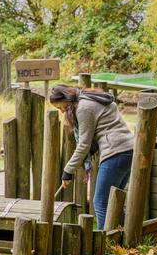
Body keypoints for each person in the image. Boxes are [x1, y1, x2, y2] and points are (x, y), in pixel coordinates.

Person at [49, 84, 135, 229]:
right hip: (129, 150)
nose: (62, 111)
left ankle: (105, 243)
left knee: (101, 201)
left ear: (65, 98)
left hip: (115, 151)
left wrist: (68, 171)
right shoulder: (89, 98)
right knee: (114, 201)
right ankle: (125, 242)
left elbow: (84, 145)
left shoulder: (84, 107)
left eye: (60, 107)